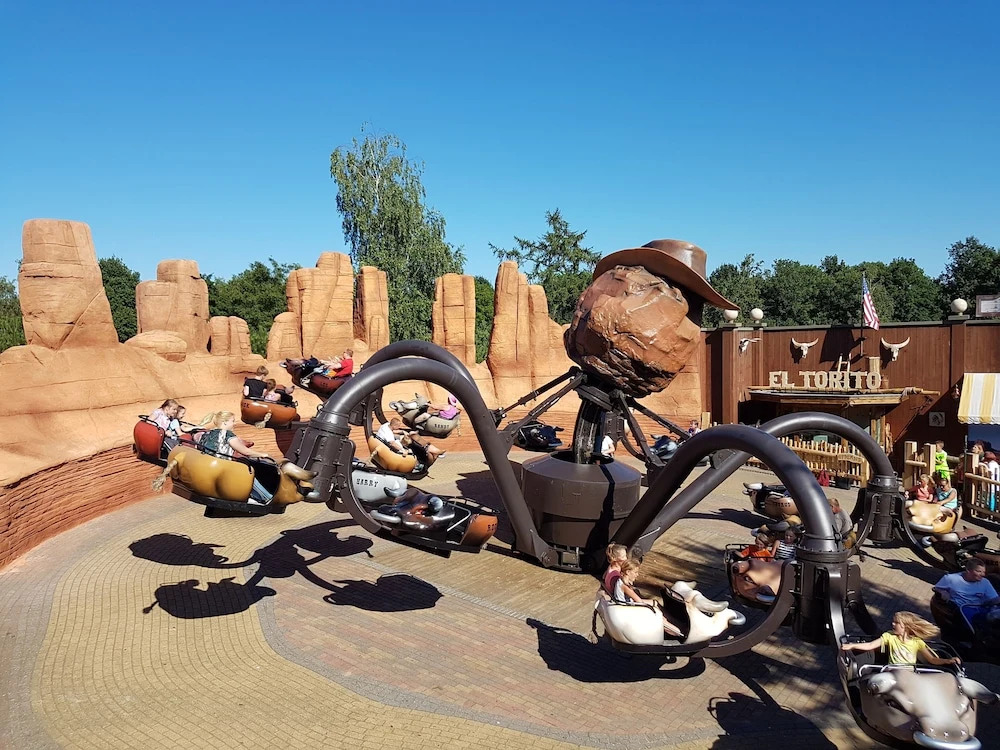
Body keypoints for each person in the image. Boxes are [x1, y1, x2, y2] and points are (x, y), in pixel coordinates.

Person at [192, 411, 278, 505]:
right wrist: (262, 454)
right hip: (221, 467)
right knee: (248, 471)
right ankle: (267, 497)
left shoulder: (207, 433)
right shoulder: (227, 434)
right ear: (225, 422)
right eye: (232, 421)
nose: (234, 424)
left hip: (207, 467)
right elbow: (246, 452)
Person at [841, 611, 960, 666]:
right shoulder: (889, 636)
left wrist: (947, 661)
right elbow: (870, 645)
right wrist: (852, 645)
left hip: (909, 673)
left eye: (896, 622)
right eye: (893, 622)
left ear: (905, 627)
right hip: (893, 671)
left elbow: (932, 659)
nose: (892, 624)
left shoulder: (917, 642)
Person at [611, 559, 683, 638]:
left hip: (628, 605)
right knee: (658, 616)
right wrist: (654, 612)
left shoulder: (622, 581)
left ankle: (672, 621)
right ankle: (679, 632)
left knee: (655, 602)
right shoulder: (625, 587)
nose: (637, 575)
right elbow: (639, 601)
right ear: (628, 572)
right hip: (628, 610)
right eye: (635, 572)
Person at [934, 558, 1000, 626]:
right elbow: (936, 588)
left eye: (984, 572)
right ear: (968, 570)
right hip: (961, 610)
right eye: (979, 571)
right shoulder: (951, 579)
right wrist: (942, 592)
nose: (983, 574)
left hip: (979, 609)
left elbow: (995, 599)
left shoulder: (985, 582)